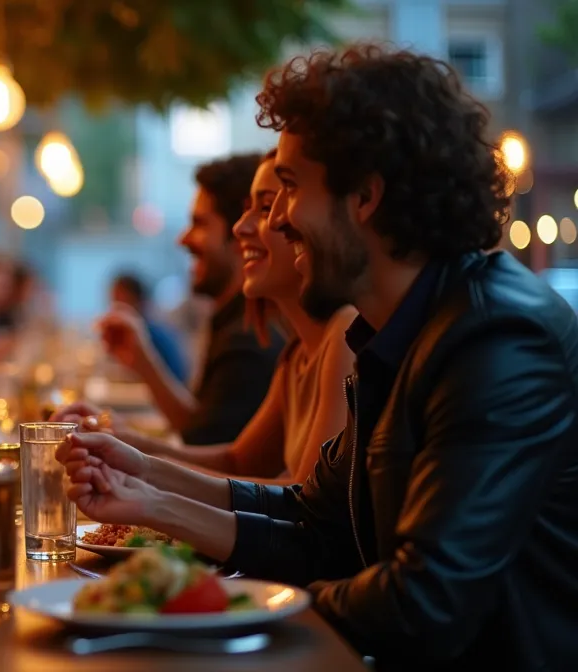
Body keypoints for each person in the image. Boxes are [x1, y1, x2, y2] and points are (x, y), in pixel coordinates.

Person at [58, 45, 578, 669]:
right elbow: (315, 520)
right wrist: (146, 491)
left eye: (288, 188)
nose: (275, 220)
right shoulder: (398, 330)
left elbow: (423, 605)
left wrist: (233, 607)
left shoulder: (496, 340)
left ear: (365, 197)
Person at [67, 151, 355, 485]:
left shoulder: (340, 335)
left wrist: (143, 473)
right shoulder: (296, 353)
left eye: (265, 208)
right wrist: (127, 447)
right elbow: (237, 461)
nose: (241, 228)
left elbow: (304, 501)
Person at [91, 154, 285, 445]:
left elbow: (211, 456)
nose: (183, 239)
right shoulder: (233, 322)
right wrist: (142, 361)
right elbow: (201, 432)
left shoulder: (249, 340)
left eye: (200, 223)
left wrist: (122, 444)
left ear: (239, 237)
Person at [108, 273, 189, 383]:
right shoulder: (149, 327)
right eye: (113, 299)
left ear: (136, 299)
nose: (115, 307)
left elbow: (175, 379)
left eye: (120, 300)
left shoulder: (150, 334)